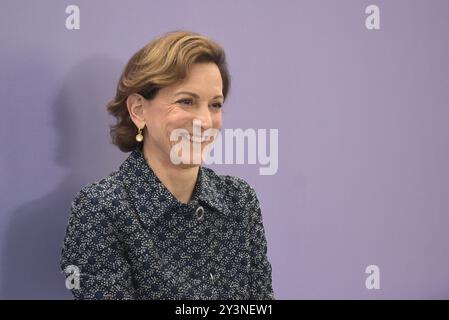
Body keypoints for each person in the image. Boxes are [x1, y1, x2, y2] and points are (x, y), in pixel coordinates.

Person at [60, 30, 274, 300]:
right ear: (138, 110)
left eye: (215, 105)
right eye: (187, 101)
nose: (205, 121)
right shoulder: (101, 208)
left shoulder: (239, 199)